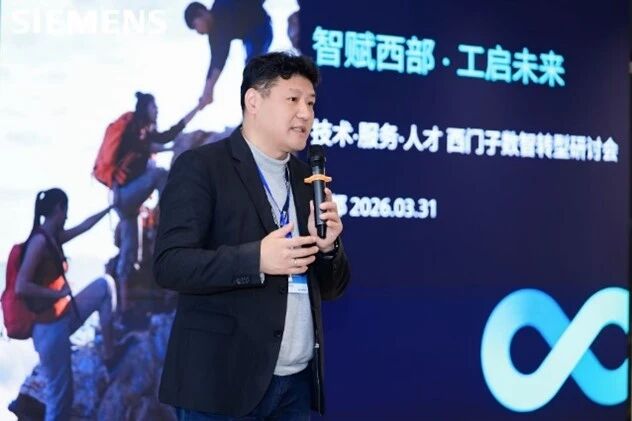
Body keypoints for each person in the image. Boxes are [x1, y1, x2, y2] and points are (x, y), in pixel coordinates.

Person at [153, 52, 350, 420]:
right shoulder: (202, 166)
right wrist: (256, 259)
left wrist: (328, 249)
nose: (305, 114)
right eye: (293, 99)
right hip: (220, 385)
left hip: (295, 386)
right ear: (254, 101)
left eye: (310, 103)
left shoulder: (308, 180)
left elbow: (332, 288)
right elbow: (170, 264)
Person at [15, 188, 116, 421]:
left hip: (61, 319)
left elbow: (84, 226)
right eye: (66, 209)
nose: (68, 216)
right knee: (59, 398)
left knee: (104, 286)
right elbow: (21, 286)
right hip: (48, 328)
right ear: (59, 208)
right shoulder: (39, 242)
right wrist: (57, 294)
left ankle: (109, 351)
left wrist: (110, 208)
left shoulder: (52, 238)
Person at [113, 92, 201, 314]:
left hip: (128, 204)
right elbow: (148, 146)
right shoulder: (134, 130)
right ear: (145, 108)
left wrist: (197, 108)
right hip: (125, 196)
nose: (157, 110)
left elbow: (167, 135)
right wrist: (171, 149)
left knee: (132, 255)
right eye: (154, 107)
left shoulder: (143, 131)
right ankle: (169, 212)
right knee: (160, 174)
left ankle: (123, 308)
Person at [184, 1, 273, 106]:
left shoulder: (223, 5)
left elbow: (220, 57)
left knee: (253, 66)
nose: (199, 32)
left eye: (195, 26)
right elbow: (216, 61)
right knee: (251, 68)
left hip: (260, 27)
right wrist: (207, 91)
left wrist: (208, 90)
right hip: (249, 38)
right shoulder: (215, 34)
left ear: (201, 13)